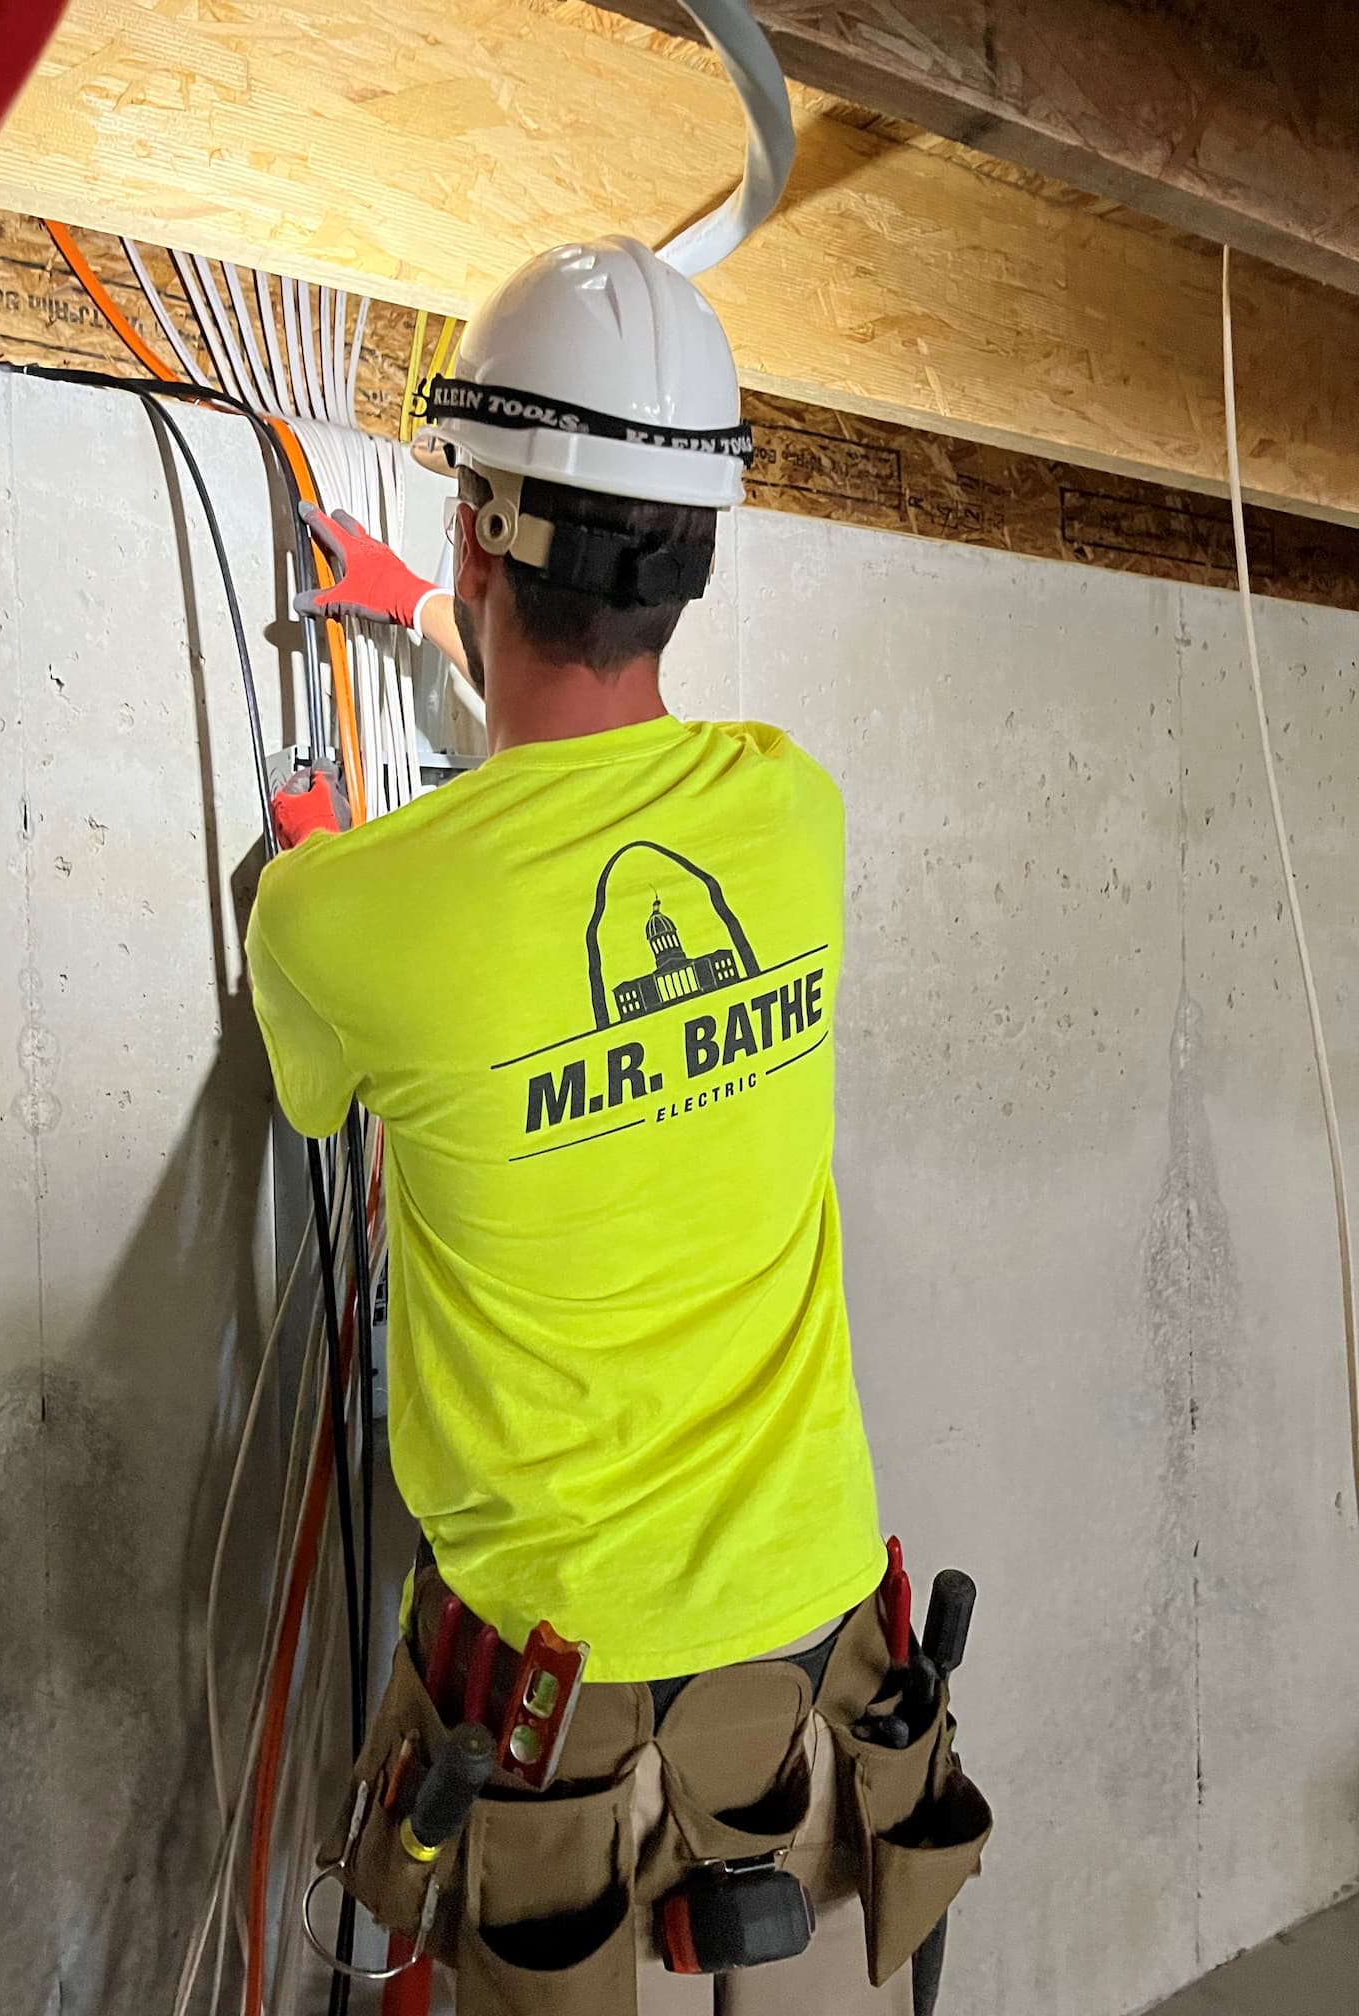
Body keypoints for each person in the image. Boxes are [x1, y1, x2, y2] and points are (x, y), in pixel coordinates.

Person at [247, 237, 986, 2014]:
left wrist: (373, 774)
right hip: (817, 1682)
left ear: (477, 534)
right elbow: (586, 776)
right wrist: (454, 626)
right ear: (694, 554)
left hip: (546, 1734)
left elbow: (316, 1088)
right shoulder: (788, 814)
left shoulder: (339, 916)